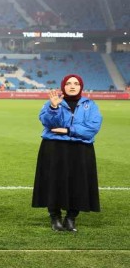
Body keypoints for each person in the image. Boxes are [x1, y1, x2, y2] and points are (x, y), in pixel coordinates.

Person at [32, 74, 102, 232]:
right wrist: (54, 108)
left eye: (76, 83)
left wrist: (68, 130)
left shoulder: (90, 105)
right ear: (63, 85)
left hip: (81, 149)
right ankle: (55, 218)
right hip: (54, 148)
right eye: (69, 83)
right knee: (53, 182)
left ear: (81, 86)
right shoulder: (52, 102)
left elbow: (92, 128)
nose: (72, 86)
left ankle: (71, 218)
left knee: (78, 183)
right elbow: (47, 122)